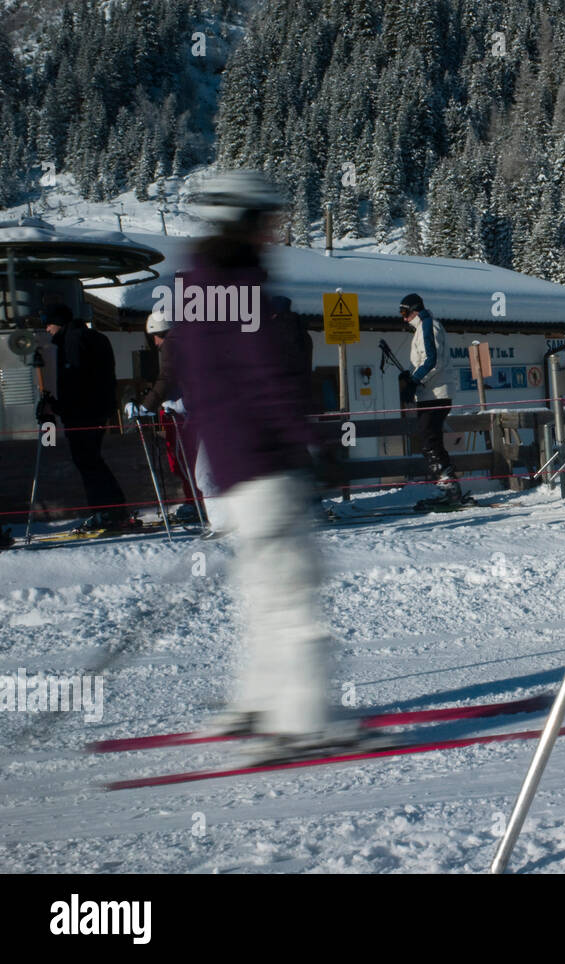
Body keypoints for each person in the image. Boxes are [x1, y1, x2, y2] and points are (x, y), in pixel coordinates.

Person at [171, 170, 349, 757]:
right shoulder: (243, 285)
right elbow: (266, 380)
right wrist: (312, 445)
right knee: (295, 599)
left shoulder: (193, 285)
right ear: (243, 222)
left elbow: (195, 381)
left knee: (262, 596)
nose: (275, 230)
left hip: (229, 469)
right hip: (268, 465)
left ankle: (253, 705)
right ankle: (305, 722)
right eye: (268, 219)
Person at [39, 302, 131, 528]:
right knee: (93, 460)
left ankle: (109, 512)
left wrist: (58, 408)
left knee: (88, 462)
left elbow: (76, 383)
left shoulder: (72, 341)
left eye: (48, 325)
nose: (47, 330)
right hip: (100, 409)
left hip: (83, 414)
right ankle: (111, 510)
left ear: (57, 323)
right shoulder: (94, 336)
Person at [124, 309, 200, 523]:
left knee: (182, 460)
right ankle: (195, 500)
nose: (155, 343)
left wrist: (146, 406)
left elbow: (167, 377)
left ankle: (196, 502)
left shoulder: (172, 344)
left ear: (160, 332)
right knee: (185, 459)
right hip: (186, 409)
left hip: (180, 411)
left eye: (154, 337)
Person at [399, 292, 460, 501]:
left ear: (415, 310)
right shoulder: (423, 327)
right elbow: (424, 360)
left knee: (429, 440)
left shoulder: (427, 325)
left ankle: (447, 487)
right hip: (430, 394)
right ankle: (447, 484)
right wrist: (410, 375)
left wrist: (414, 380)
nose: (403, 317)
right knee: (431, 439)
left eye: (405, 312)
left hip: (435, 394)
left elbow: (432, 360)